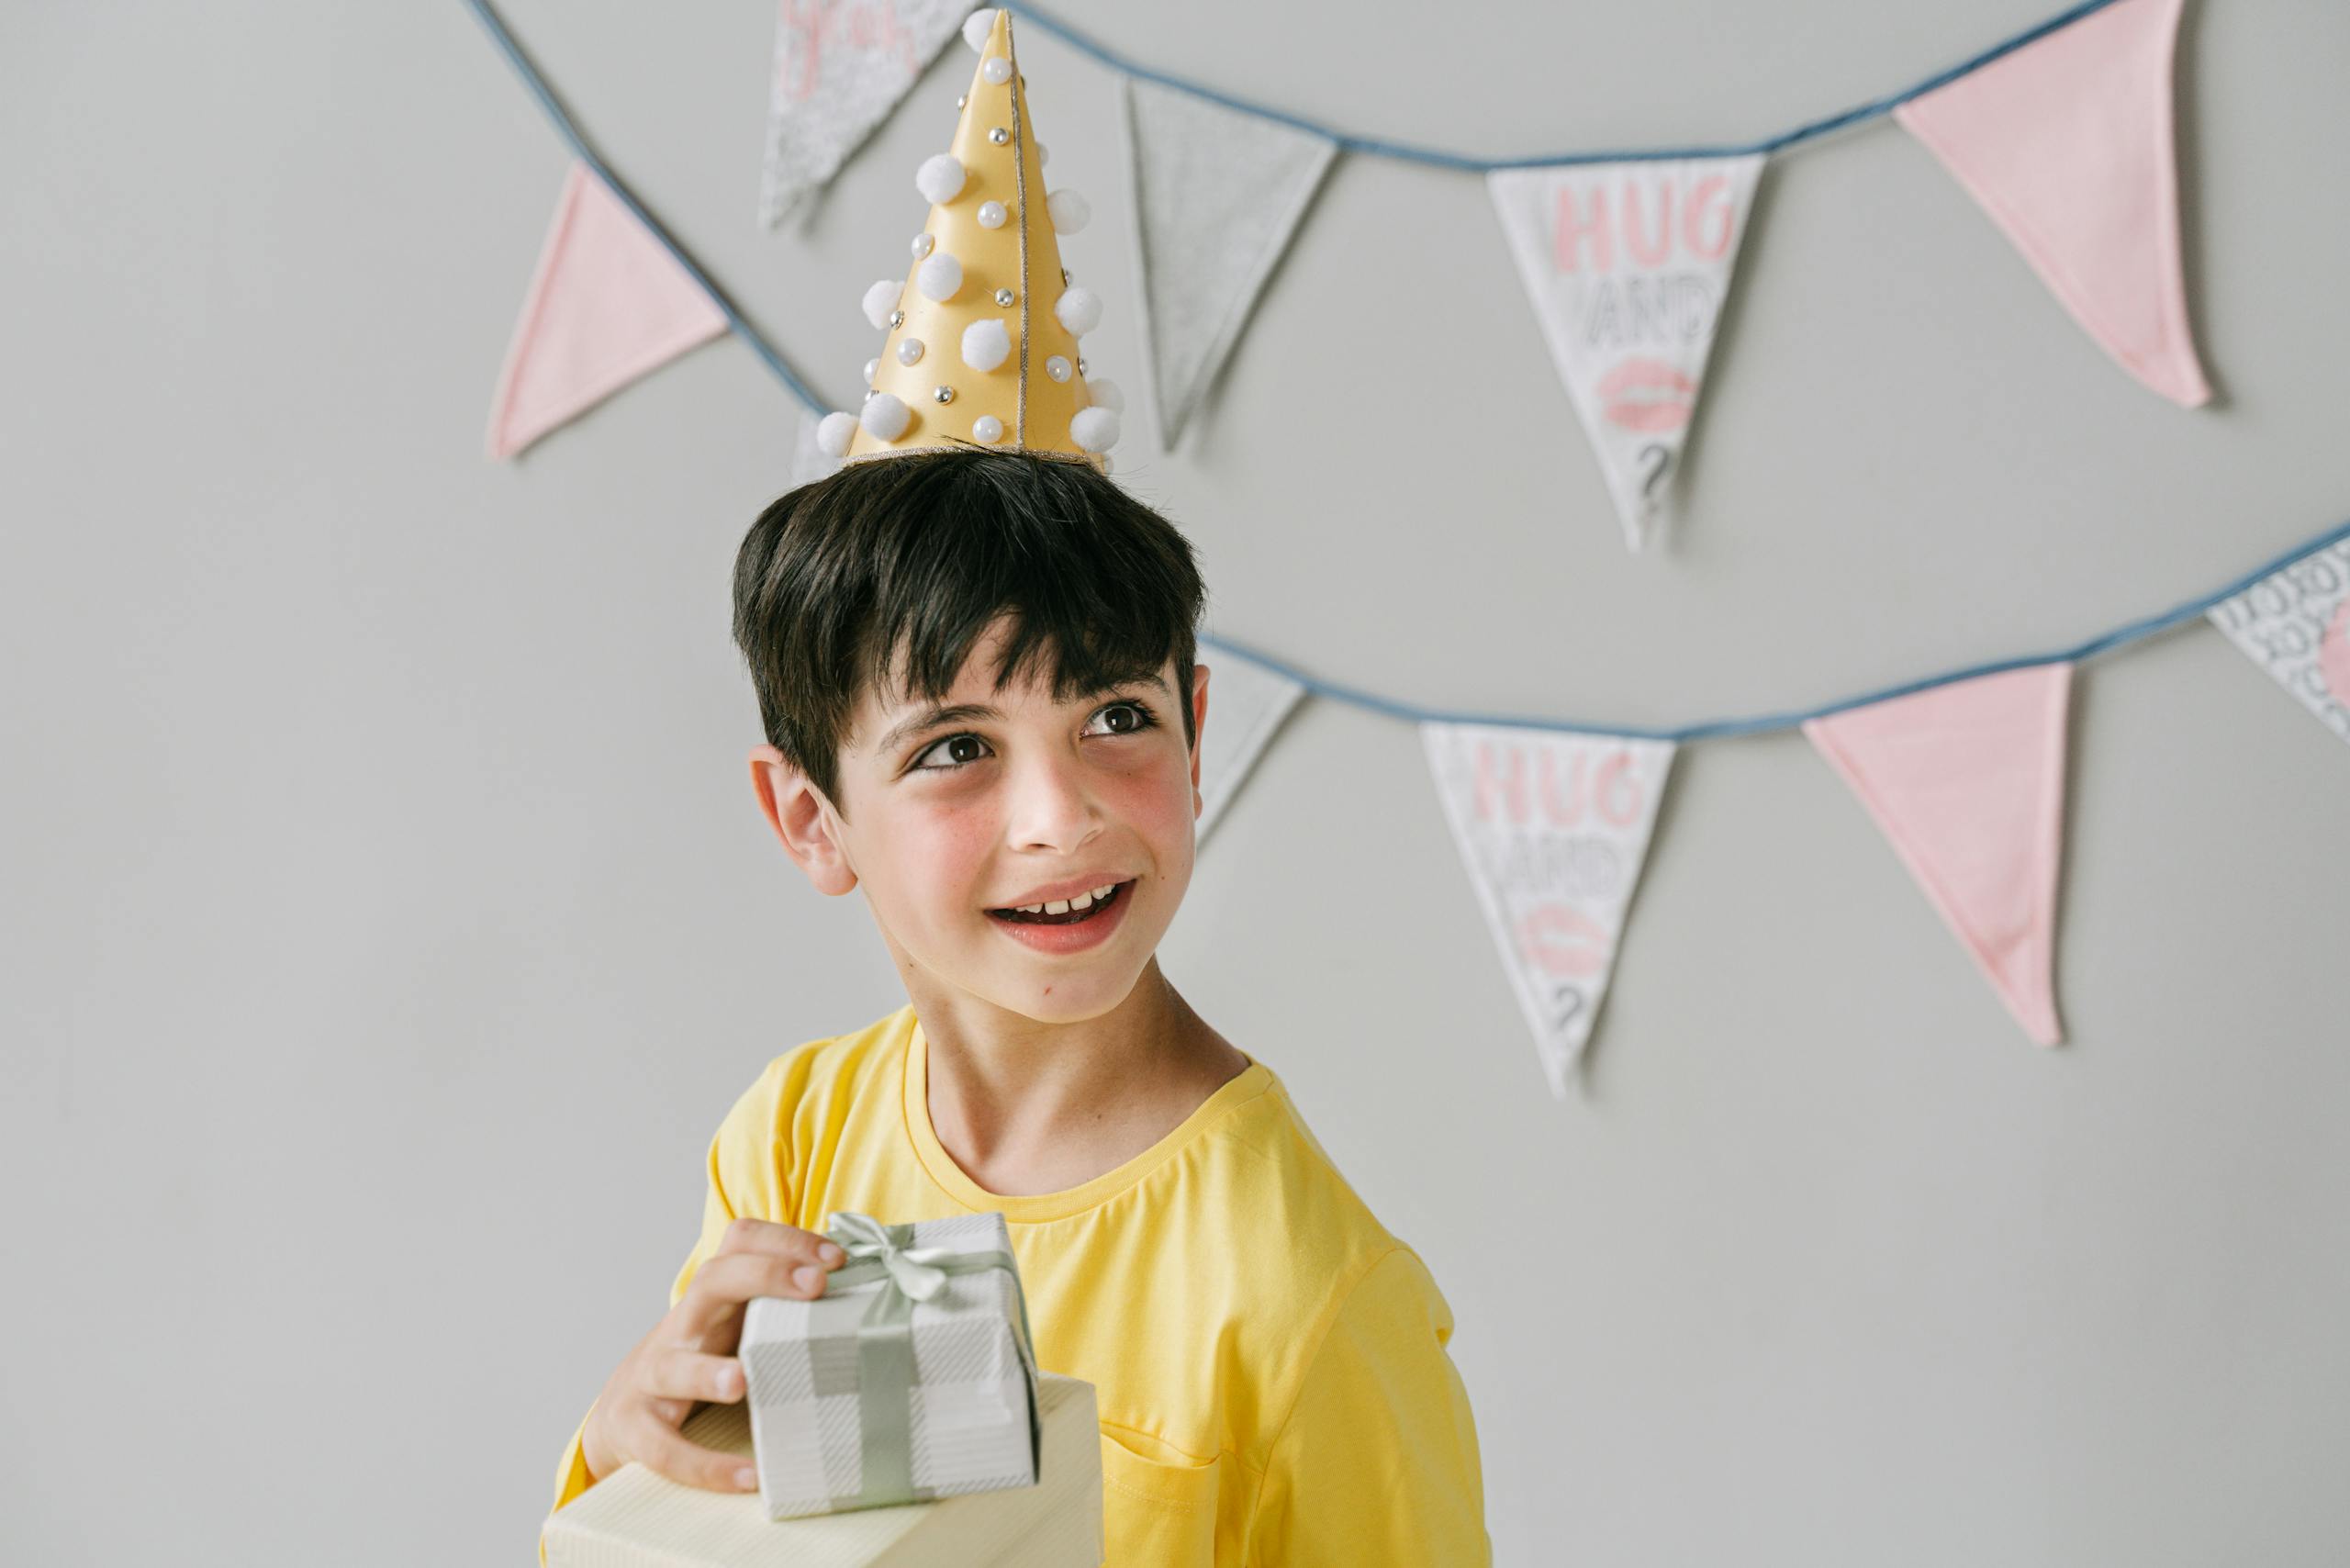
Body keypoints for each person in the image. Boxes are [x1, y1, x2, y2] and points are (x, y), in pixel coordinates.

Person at [542, 12, 1488, 1564]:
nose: (1063, 814)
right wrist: (618, 1441)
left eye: (1115, 715)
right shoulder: (791, 1144)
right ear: (810, 818)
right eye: (957, 748)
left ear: (1197, 726)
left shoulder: (1299, 1293)